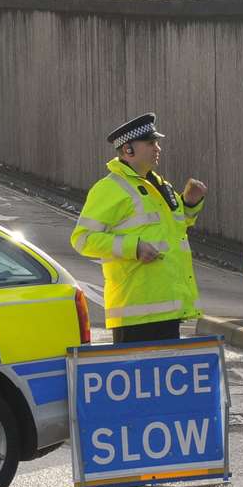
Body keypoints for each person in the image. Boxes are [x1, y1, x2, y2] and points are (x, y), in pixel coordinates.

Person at [70, 113, 207, 344]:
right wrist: (133, 248)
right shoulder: (110, 188)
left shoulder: (159, 186)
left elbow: (177, 225)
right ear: (128, 150)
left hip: (167, 311)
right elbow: (82, 239)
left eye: (157, 142)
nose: (158, 148)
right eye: (151, 143)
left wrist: (191, 202)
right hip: (135, 315)